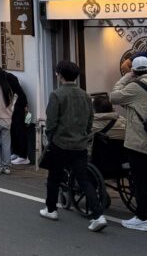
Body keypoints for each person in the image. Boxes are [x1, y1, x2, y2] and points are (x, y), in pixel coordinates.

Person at [40, 60, 107, 232]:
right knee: (83, 179)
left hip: (60, 143)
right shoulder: (85, 95)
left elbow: (51, 122)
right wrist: (83, 134)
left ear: (60, 75)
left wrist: (50, 137)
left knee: (54, 177)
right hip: (80, 144)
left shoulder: (56, 95)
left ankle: (51, 209)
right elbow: (90, 119)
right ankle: (98, 215)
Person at [110, 55, 147, 232]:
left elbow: (114, 97)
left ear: (134, 70)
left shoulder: (135, 87)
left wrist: (126, 77)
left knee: (142, 181)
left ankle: (142, 218)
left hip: (140, 142)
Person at [9, 74, 32, 166]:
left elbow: (24, 106)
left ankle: (23, 156)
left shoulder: (20, 94)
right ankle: (16, 152)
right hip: (14, 115)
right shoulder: (15, 91)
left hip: (19, 116)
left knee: (20, 134)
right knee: (14, 133)